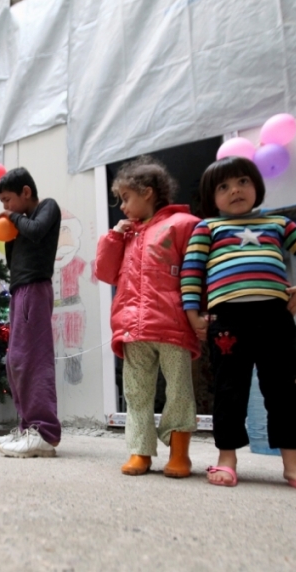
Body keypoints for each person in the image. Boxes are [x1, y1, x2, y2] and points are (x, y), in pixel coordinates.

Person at [181, 156, 296, 494]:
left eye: (242, 181)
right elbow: (192, 272)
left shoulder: (280, 223)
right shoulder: (207, 229)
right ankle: (227, 458)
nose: (235, 190)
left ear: (257, 186)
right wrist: (193, 314)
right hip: (227, 321)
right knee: (228, 389)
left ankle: (293, 465)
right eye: (223, 186)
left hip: (276, 318)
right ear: (211, 197)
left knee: (285, 389)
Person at [94, 156, 201, 477]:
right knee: (136, 394)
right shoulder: (127, 235)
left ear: (148, 192)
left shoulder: (184, 225)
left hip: (174, 324)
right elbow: (105, 272)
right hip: (132, 328)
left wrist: (200, 314)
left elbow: (198, 272)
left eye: (126, 198)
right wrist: (113, 236)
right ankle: (140, 451)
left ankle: (179, 453)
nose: (122, 207)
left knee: (180, 390)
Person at [0, 167, 62, 458]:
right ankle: (27, 427)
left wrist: (12, 219)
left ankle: (44, 432)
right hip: (19, 290)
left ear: (26, 192)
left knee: (34, 358)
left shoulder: (47, 207)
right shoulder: (18, 222)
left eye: (8, 200)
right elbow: (13, 261)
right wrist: (8, 233)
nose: (5, 208)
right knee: (16, 360)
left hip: (35, 288)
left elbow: (36, 231)